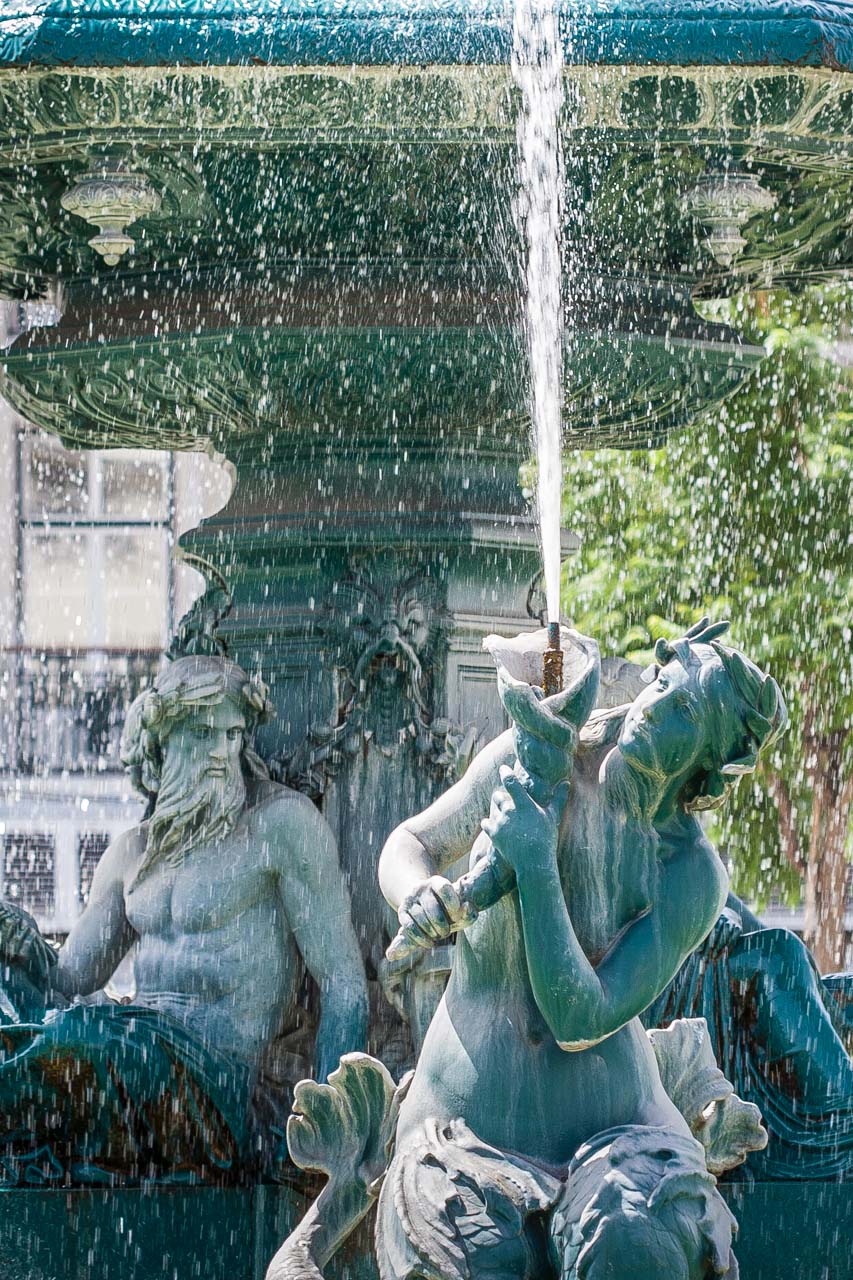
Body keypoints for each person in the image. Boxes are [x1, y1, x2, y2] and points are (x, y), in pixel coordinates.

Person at [376, 620, 786, 1279]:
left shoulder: (688, 876)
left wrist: (536, 866)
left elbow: (576, 1022)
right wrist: (417, 892)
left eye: (681, 711)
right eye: (661, 685)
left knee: (635, 1240)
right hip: (464, 1132)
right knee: (470, 1254)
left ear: (708, 761)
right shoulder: (531, 751)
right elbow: (410, 843)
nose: (653, 705)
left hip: (619, 1137)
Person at [0, 656, 368, 1187]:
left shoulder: (278, 826)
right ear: (164, 739)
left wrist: (333, 1119)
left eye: (234, 734)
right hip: (139, 1058)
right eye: (203, 733)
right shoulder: (132, 854)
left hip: (224, 1086)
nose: (224, 752)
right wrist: (15, 940)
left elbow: (343, 981)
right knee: (35, 1026)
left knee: (85, 1038)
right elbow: (65, 981)